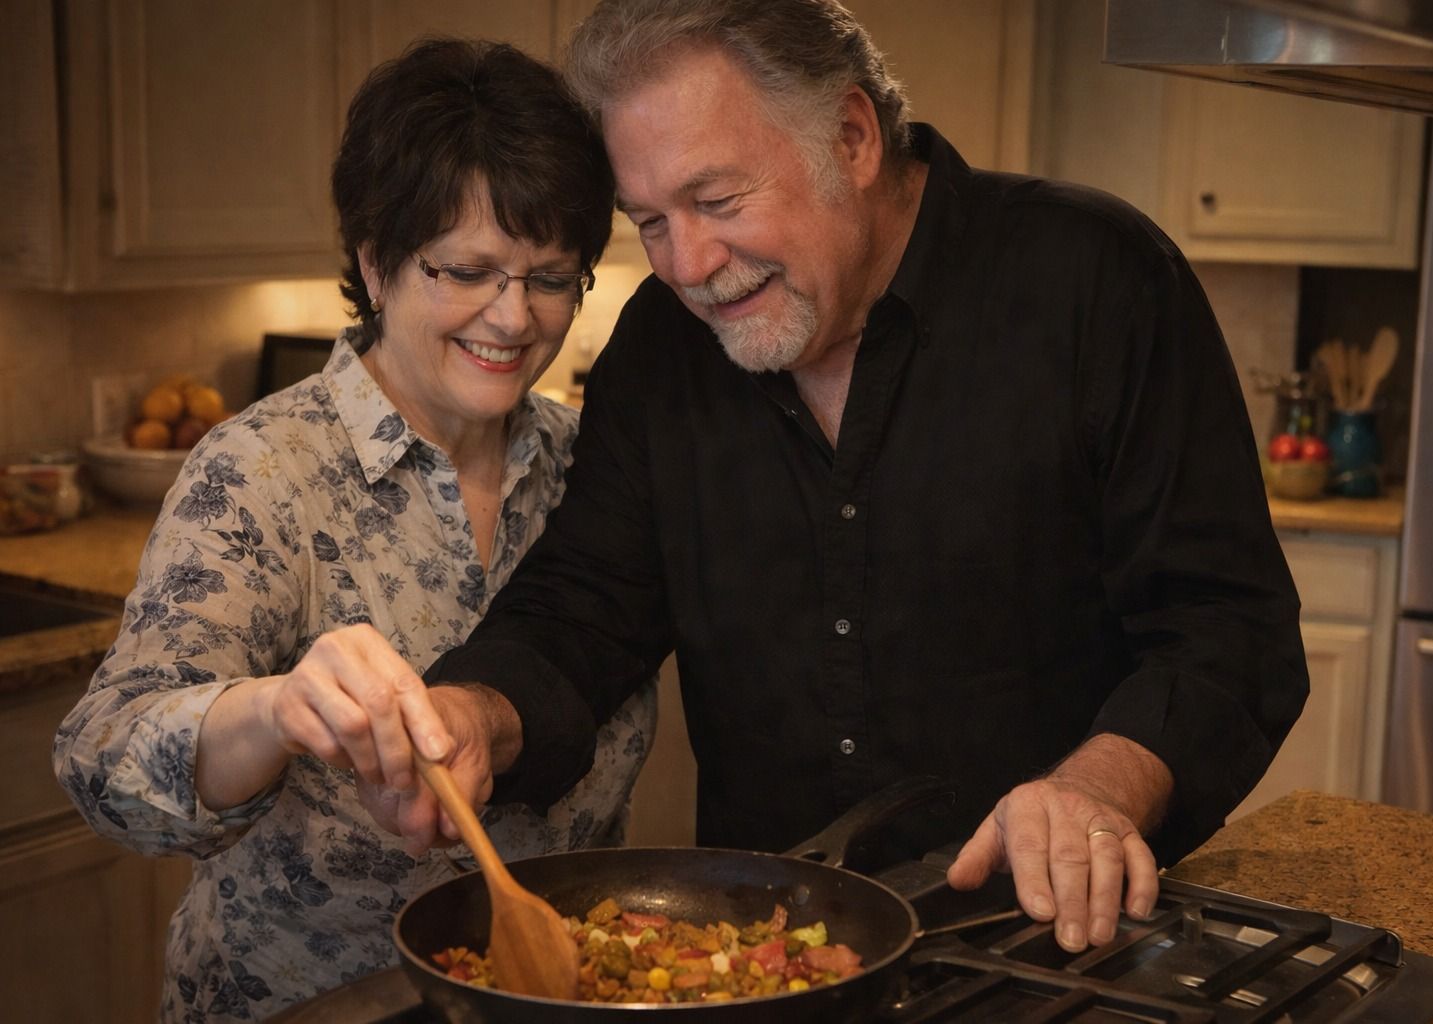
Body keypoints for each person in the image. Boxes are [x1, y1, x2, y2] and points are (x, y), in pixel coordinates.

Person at [423, 0, 1309, 957]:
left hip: (1052, 948)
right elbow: (588, 604)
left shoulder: (1097, 283)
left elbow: (1228, 629)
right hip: (768, 964)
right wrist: (480, 712)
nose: (689, 265)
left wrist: (1097, 787)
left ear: (851, 137)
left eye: (717, 203)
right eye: (651, 222)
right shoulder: (661, 347)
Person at [52, 39, 656, 1022]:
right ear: (376, 263)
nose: (514, 318)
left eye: (552, 277)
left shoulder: (596, 469)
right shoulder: (266, 471)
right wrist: (274, 708)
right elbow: (102, 763)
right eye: (468, 270)